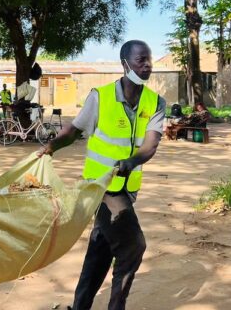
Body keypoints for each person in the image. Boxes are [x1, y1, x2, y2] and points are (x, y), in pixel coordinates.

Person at [38, 40, 165, 310]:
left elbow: (150, 145)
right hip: (101, 188)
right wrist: (50, 147)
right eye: (141, 59)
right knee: (133, 247)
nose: (147, 65)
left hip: (126, 186)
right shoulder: (101, 96)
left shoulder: (156, 102)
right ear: (125, 63)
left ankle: (80, 306)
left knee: (101, 249)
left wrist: (130, 162)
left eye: (149, 60)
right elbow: (73, 130)